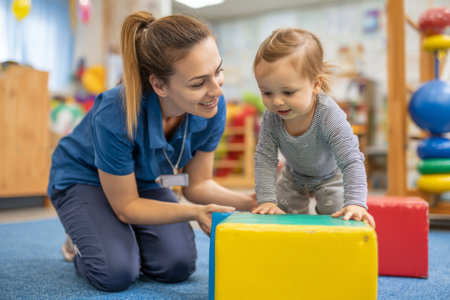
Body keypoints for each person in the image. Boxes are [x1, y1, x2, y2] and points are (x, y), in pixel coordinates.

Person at [48, 11, 256, 292]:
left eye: (217, 71)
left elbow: (198, 185)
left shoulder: (210, 108)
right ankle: (80, 240)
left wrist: (252, 201)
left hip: (141, 181)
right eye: (198, 83)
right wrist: (194, 213)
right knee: (116, 272)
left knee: (177, 265)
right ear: (159, 85)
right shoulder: (116, 111)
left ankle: (113, 234)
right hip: (84, 178)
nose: (216, 90)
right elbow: (127, 206)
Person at [251, 28, 375, 228]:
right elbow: (264, 158)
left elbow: (351, 160)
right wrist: (267, 200)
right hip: (293, 175)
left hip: (331, 176)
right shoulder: (272, 118)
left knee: (338, 214)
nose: (277, 101)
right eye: (266, 92)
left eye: (288, 92)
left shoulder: (329, 115)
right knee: (281, 215)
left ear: (316, 84)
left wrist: (356, 203)